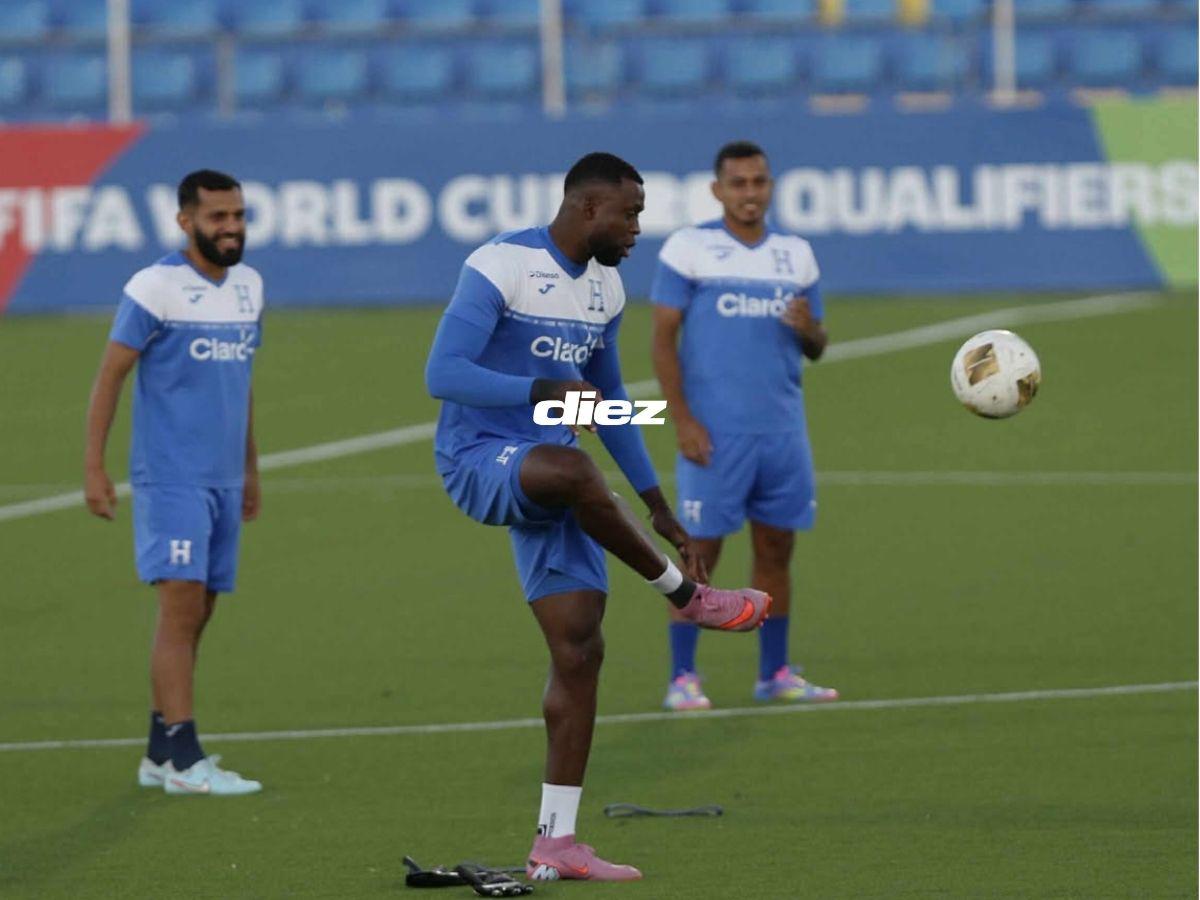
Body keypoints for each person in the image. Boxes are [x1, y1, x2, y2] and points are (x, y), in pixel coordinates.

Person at [425, 152, 770, 883]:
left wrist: (658, 505)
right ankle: (688, 598)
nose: (638, 229)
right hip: (479, 456)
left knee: (580, 650)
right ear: (588, 210)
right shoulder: (500, 265)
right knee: (576, 469)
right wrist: (540, 384)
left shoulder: (606, 290)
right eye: (630, 214)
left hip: (552, 477)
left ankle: (557, 841)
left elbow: (609, 406)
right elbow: (442, 372)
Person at [84, 169, 264, 796]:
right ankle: (186, 759)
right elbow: (110, 377)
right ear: (186, 221)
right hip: (170, 479)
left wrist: (249, 470)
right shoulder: (155, 287)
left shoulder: (248, 288)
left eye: (238, 215)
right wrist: (94, 467)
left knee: (202, 609)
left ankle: (162, 750)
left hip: (220, 480)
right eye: (218, 217)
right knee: (181, 610)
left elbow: (240, 390)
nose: (232, 227)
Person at [650, 141, 839, 712]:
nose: (750, 193)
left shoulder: (796, 256)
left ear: (771, 186)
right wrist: (682, 420)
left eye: (759, 181)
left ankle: (774, 672)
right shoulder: (689, 248)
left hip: (782, 432)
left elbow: (819, 346)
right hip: (715, 433)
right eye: (738, 183)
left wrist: (809, 330)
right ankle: (683, 677)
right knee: (699, 555)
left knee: (777, 549)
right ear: (717, 190)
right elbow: (662, 341)